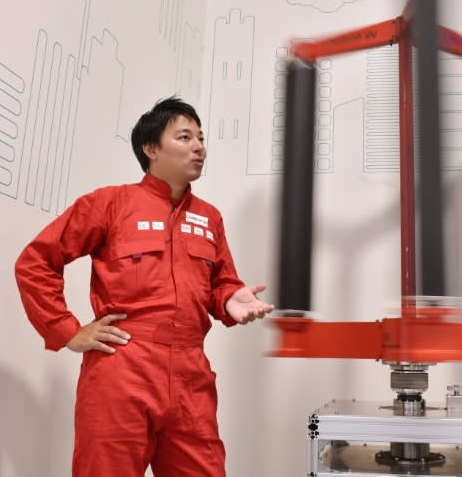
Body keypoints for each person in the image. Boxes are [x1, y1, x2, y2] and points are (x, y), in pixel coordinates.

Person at [15, 96, 274, 476]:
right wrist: (66, 330)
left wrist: (229, 300)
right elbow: (36, 262)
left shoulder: (209, 217)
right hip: (122, 370)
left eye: (201, 138)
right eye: (185, 137)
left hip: (190, 374)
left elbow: (221, 281)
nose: (199, 147)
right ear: (150, 148)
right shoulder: (110, 204)